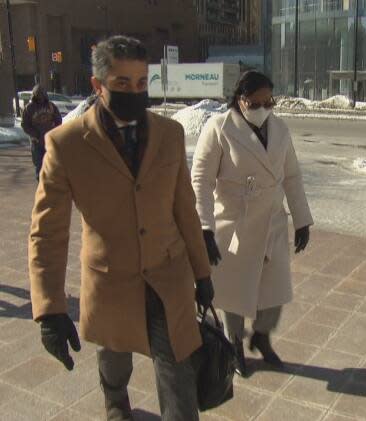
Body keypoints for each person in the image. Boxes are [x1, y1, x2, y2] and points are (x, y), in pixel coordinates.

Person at [28, 36, 213, 421]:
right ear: (98, 86)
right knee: (115, 367)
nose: (135, 92)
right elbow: (48, 232)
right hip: (110, 282)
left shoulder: (170, 135)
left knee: (178, 376)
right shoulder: (65, 145)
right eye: (122, 84)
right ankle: (116, 403)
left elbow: (184, 209)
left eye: (142, 83)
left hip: (167, 277)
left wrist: (201, 271)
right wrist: (49, 310)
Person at [191, 71, 313, 377]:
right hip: (234, 224)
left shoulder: (280, 129)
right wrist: (204, 227)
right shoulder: (219, 128)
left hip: (272, 221)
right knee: (235, 291)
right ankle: (234, 343)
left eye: (267, 101)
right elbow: (201, 181)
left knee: (275, 289)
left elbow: (293, 176)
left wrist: (302, 221)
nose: (262, 107)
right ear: (240, 99)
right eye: (255, 101)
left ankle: (262, 335)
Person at [21, 85, 62, 181]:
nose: (40, 97)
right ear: (34, 95)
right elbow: (25, 125)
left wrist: (53, 132)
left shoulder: (51, 106)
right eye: (38, 94)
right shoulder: (29, 108)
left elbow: (58, 121)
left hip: (50, 141)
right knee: (39, 166)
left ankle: (51, 188)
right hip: (37, 142)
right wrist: (36, 134)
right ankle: (41, 188)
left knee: (51, 165)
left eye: (42, 94)